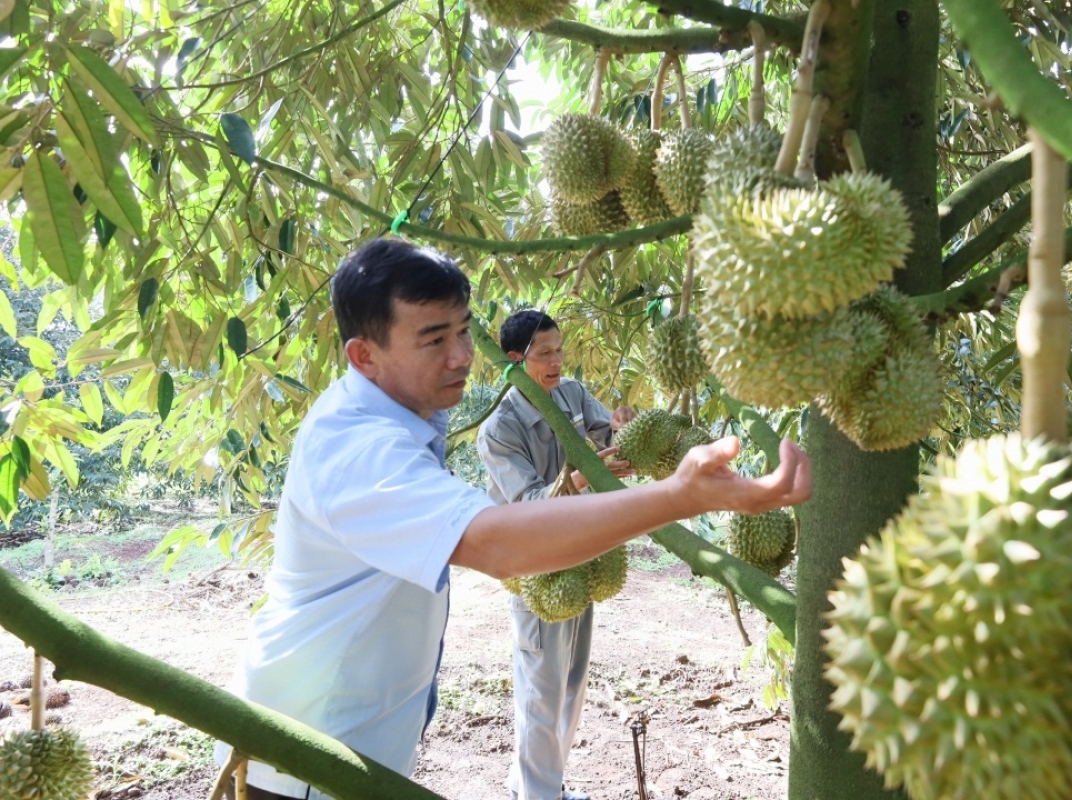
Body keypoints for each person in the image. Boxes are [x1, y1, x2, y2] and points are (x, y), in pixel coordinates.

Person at [216, 237, 812, 800]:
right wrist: (681, 497)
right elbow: (493, 542)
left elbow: (602, 441)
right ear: (363, 355)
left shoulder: (406, 413)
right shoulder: (358, 447)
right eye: (433, 340)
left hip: (354, 736)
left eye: (463, 331)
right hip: (304, 752)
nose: (460, 356)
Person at [476, 309, 635, 800]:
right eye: (544, 353)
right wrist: (582, 476)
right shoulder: (499, 430)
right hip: (535, 570)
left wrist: (624, 428)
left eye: (559, 349)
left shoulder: (570, 395)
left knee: (570, 684)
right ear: (514, 360)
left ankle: (542, 785)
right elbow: (526, 509)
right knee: (541, 689)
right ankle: (538, 795)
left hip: (582, 556)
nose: (556, 361)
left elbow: (612, 443)